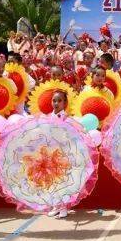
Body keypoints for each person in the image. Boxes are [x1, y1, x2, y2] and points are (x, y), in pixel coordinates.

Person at [47, 90, 71, 219]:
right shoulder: (48, 117)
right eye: (54, 100)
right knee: (52, 181)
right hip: (50, 153)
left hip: (62, 153)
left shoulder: (66, 118)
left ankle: (63, 207)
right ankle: (56, 205)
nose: (56, 103)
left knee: (62, 181)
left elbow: (68, 136)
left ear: (65, 103)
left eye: (59, 101)